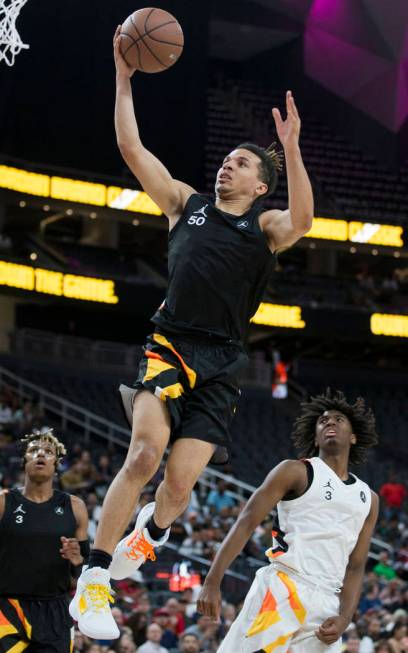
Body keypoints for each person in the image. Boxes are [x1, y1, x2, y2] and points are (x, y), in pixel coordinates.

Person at [70, 24, 314, 640]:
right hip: (172, 343)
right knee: (145, 453)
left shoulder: (267, 228)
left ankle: (152, 531)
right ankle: (94, 581)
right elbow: (133, 150)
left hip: (225, 364)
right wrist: (125, 79)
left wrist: (293, 148)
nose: (227, 167)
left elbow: (306, 219)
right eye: (226, 160)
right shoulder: (186, 203)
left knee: (178, 488)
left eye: (241, 164)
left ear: (261, 185)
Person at [197, 389, 379, 652]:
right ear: (315, 437)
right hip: (284, 586)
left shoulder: (368, 498)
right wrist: (212, 581)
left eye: (338, 419)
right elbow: (246, 523)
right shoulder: (294, 471)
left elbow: (356, 565)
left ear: (353, 436)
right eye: (323, 420)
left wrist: (345, 617)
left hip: (327, 601)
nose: (329, 422)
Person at [0, 428, 89, 652]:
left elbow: (85, 568)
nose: (40, 454)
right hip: (7, 607)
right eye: (33, 450)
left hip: (55, 611)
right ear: (24, 462)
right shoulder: (3, 502)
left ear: (56, 465)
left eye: (48, 451)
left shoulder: (75, 507)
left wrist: (78, 559)